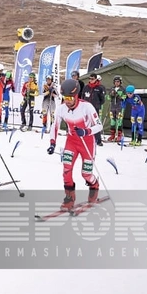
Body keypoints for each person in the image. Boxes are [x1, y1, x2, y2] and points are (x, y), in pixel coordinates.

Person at [46, 78, 103, 210]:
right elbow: (55, 126)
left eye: (70, 98)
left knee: (86, 174)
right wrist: (52, 143)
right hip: (71, 142)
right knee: (66, 170)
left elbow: (99, 126)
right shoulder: (61, 109)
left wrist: (86, 131)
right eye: (65, 98)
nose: (67, 101)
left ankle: (94, 186)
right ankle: (69, 198)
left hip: (87, 142)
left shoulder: (87, 107)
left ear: (76, 95)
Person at [81, 73, 106, 146]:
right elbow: (82, 97)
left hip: (95, 109)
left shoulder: (100, 88)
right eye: (89, 78)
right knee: (85, 123)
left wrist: (97, 104)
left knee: (95, 123)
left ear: (95, 79)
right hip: (86, 108)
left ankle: (98, 140)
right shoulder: (86, 87)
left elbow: (102, 100)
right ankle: (85, 138)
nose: (90, 80)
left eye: (92, 79)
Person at [106, 75, 125, 143]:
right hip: (112, 107)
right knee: (112, 121)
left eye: (118, 81)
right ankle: (112, 135)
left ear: (120, 82)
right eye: (115, 81)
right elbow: (108, 97)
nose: (116, 83)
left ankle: (119, 135)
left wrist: (120, 96)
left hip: (119, 107)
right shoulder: (112, 88)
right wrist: (111, 95)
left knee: (119, 121)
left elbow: (125, 97)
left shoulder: (122, 89)